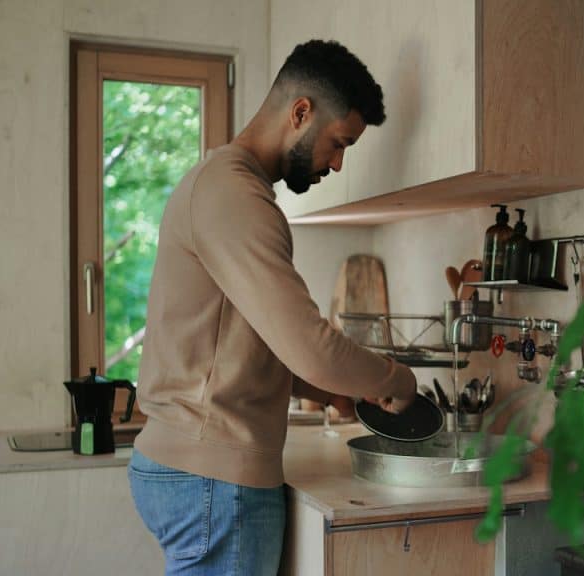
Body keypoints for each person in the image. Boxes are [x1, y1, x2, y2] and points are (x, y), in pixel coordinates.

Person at [127, 39, 417, 575]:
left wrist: (328, 390)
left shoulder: (225, 188)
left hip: (193, 466)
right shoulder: (233, 195)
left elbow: (247, 341)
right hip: (213, 475)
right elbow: (310, 344)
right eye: (338, 142)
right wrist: (396, 379)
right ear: (300, 111)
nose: (336, 162)